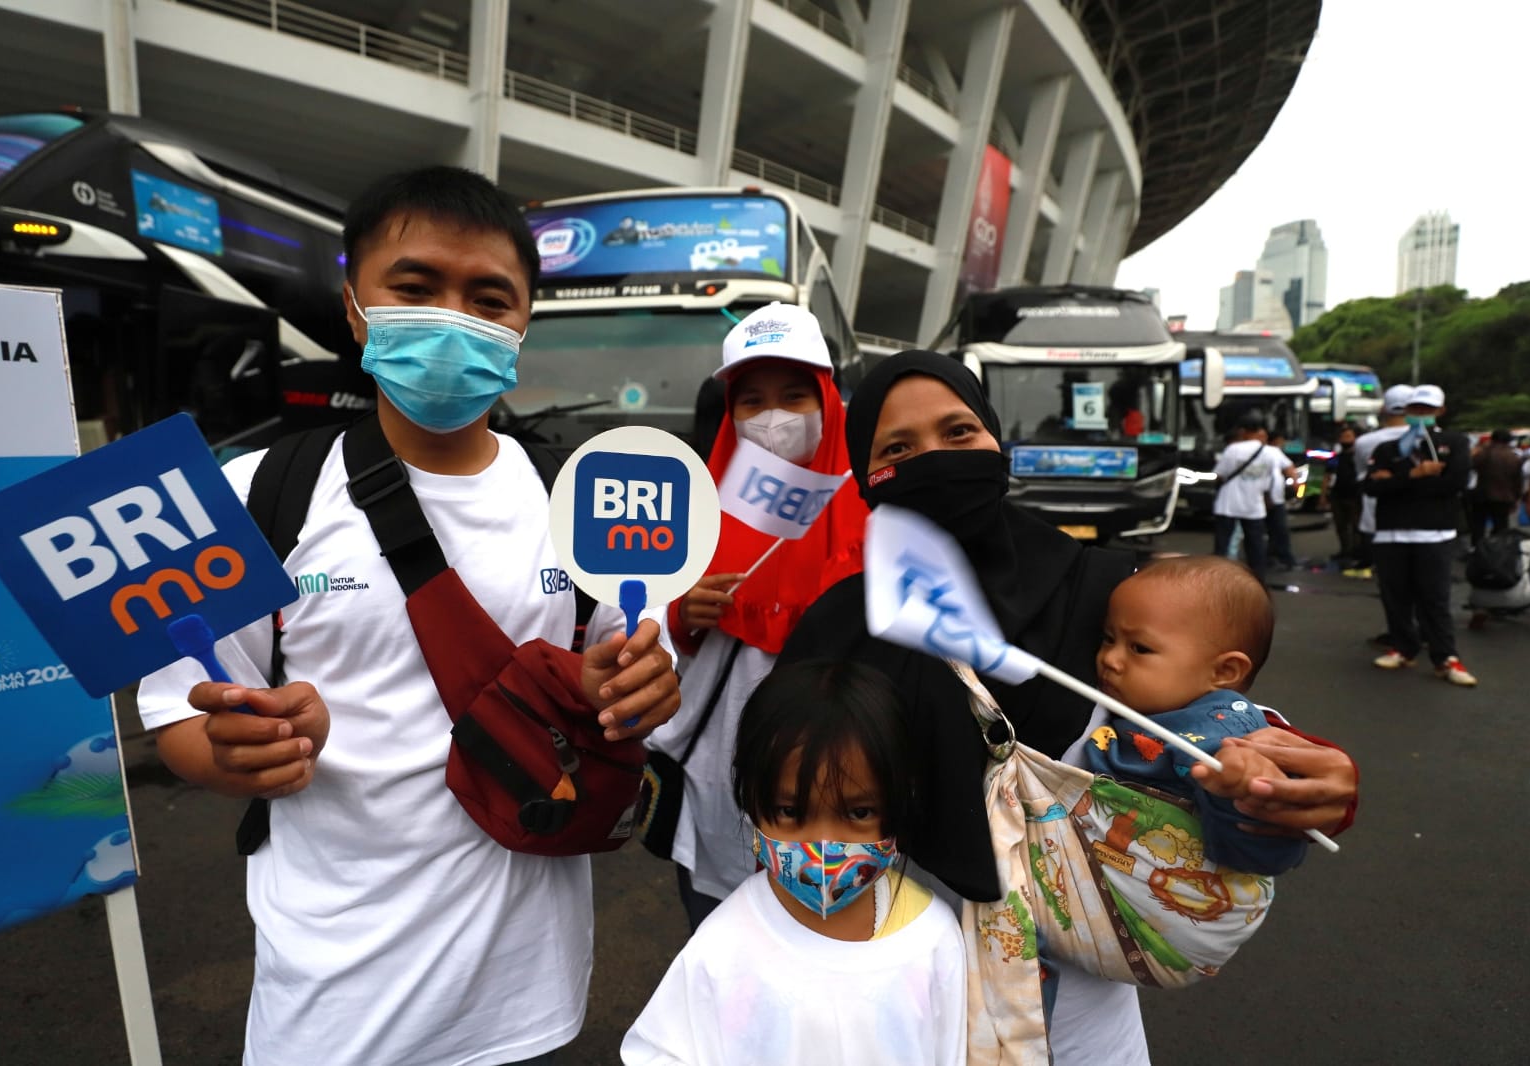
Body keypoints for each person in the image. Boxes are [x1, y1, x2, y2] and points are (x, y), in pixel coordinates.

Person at [137, 166, 682, 1066]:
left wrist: (628, 690)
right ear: (355, 306)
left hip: (525, 989)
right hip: (329, 993)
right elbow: (178, 722)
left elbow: (620, 689)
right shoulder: (250, 497)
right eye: (416, 287)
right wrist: (241, 749)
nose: (451, 319)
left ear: (521, 325)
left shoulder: (578, 498)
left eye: (489, 298)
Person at [777, 351, 1359, 1064]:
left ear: (996, 441)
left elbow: (1215, 756)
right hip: (888, 995)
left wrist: (1290, 789)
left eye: (959, 432)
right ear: (865, 477)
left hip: (1079, 1011)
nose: (935, 458)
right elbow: (791, 812)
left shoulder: (1114, 598)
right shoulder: (834, 628)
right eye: (897, 448)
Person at [621, 660, 966, 1066]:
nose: (823, 845)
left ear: (899, 803)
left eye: (857, 813)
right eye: (790, 811)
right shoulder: (722, 947)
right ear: (751, 799)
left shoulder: (932, 939)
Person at [651, 302, 869, 930]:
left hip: (845, 791)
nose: (773, 417)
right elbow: (631, 629)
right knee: (724, 952)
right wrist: (682, 614)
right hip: (718, 795)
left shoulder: (873, 503)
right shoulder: (690, 507)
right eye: (751, 400)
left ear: (829, 400)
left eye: (795, 395)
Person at [1090, 556, 1306, 874]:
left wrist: (1243, 797)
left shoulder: (1217, 738)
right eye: (1109, 639)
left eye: (1139, 648)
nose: (1109, 658)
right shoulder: (1144, 706)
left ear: (1224, 671)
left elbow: (1270, 853)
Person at [1365, 384, 1478, 686]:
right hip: (1391, 534)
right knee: (1395, 596)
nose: (1420, 414)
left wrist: (1398, 482)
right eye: (1415, 409)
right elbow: (1372, 487)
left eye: (1427, 410)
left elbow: (1455, 482)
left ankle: (1445, 657)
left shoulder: (1454, 442)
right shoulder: (1388, 448)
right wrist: (1416, 475)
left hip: (1435, 533)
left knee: (1435, 599)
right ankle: (1403, 647)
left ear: (1440, 411)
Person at [1344, 384, 1415, 580]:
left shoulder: (1365, 442)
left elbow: (1362, 475)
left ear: (1384, 409)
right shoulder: (1430, 436)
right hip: (1422, 515)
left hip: (1376, 511)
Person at [1211, 417, 1280, 575]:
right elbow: (1271, 479)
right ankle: (1257, 578)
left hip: (1228, 504)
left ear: (1243, 432)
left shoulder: (1233, 449)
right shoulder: (1271, 453)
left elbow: (1220, 474)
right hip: (1254, 505)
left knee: (1223, 544)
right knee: (1255, 546)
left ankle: (1217, 575)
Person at [1470, 428, 1524, 545]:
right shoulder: (1513, 457)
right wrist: (1516, 499)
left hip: (1481, 495)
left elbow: (1470, 466)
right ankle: (1498, 551)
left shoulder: (1483, 454)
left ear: (1492, 439)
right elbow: (1518, 481)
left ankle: (1476, 549)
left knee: (1478, 525)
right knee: (1501, 526)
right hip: (1504, 497)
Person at [1325, 424, 1364, 565]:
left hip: (1355, 496)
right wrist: (1323, 496)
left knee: (1356, 526)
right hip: (1338, 496)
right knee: (1341, 526)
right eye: (1343, 437)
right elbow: (1327, 476)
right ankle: (1345, 551)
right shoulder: (1336, 458)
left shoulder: (1359, 456)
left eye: (1348, 436)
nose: (1345, 439)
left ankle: (1357, 552)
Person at [1263, 430, 1299, 569]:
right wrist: (1295, 484)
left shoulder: (1272, 452)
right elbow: (1289, 469)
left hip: (1270, 498)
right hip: (1269, 498)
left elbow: (1288, 468)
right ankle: (1284, 558)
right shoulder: (1273, 451)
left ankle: (1270, 556)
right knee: (1279, 529)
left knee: (1270, 530)